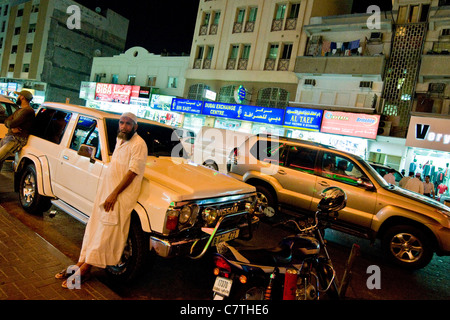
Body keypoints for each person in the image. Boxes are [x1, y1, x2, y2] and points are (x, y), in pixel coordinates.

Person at [55, 112, 148, 288]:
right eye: (121, 122)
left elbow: (133, 172)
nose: (124, 126)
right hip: (107, 192)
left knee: (105, 234)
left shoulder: (139, 144)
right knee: (94, 229)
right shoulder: (121, 139)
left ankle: (84, 270)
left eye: (128, 123)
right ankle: (80, 264)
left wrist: (114, 194)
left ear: (135, 127)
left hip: (120, 196)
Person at [0, 90, 35, 171]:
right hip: (10, 137)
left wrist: (11, 125)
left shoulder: (28, 111)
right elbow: (7, 121)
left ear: (22, 97)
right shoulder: (19, 110)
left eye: (18, 96)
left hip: (16, 139)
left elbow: (12, 123)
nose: (17, 97)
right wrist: (11, 127)